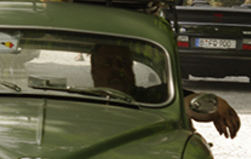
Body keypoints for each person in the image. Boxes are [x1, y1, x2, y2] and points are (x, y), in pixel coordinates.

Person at [89, 42, 240, 138]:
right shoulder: (73, 99)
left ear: (131, 69)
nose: (117, 70)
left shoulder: (153, 97)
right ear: (93, 71)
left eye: (123, 64)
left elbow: (187, 103)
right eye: (107, 64)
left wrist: (217, 104)